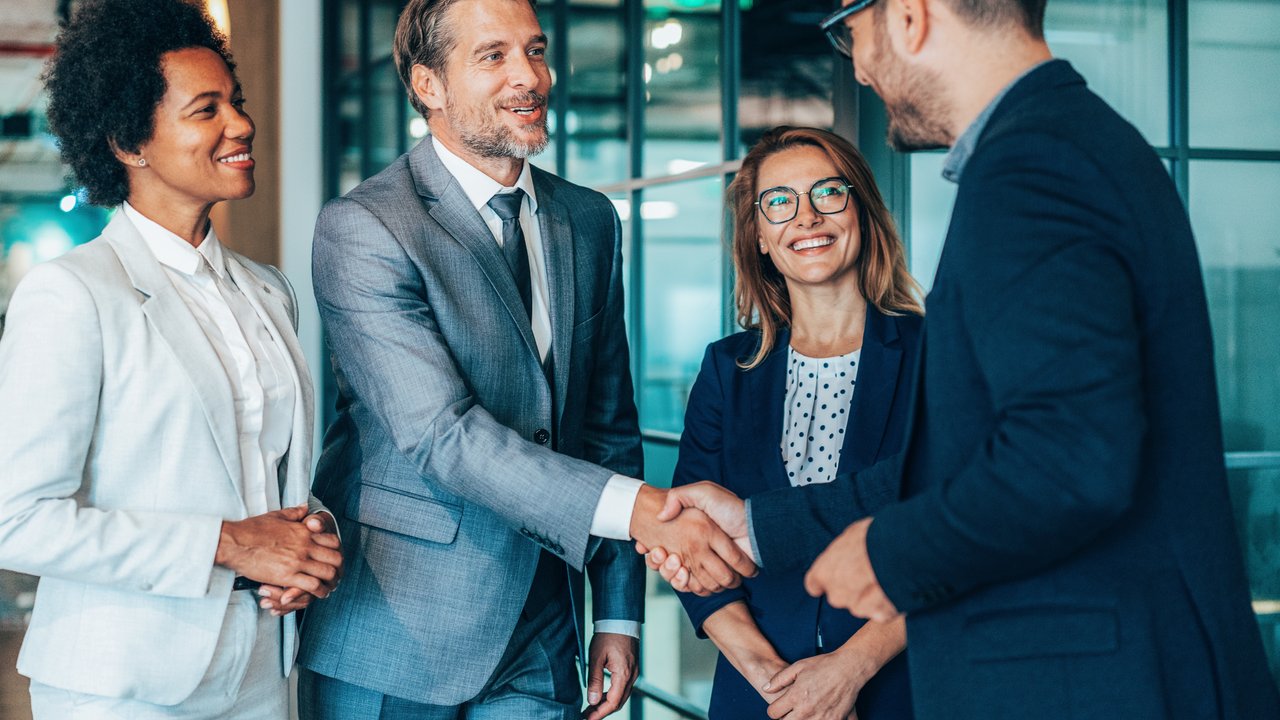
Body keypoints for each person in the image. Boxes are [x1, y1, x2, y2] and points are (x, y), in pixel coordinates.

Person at [648, 0, 1280, 717]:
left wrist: (887, 554)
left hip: (1107, 676)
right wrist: (765, 526)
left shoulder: (1035, 168)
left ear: (910, 17)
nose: (859, 68)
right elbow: (985, 456)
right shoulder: (1066, 144)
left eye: (850, 36)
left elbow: (1064, 460)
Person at [294, 0, 754, 717]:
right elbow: (441, 435)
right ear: (428, 85)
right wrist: (647, 512)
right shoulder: (364, 228)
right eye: (493, 56)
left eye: (535, 51)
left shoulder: (588, 219)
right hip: (398, 627)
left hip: (544, 623)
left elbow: (609, 425)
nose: (529, 77)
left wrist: (617, 615)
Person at [0, 0, 343, 717]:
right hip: (122, 681)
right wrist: (229, 545)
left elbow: (267, 473)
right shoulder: (72, 295)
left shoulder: (268, 290)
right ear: (130, 141)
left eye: (237, 103)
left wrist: (309, 541)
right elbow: (18, 519)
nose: (241, 125)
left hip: (259, 668)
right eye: (206, 109)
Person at [670, 126, 920, 720]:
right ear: (758, 234)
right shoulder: (725, 368)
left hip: (896, 689)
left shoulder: (937, 357)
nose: (805, 218)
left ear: (861, 211)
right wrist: (778, 685)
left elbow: (962, 529)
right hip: (758, 697)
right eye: (779, 202)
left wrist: (849, 670)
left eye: (828, 193)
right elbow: (692, 542)